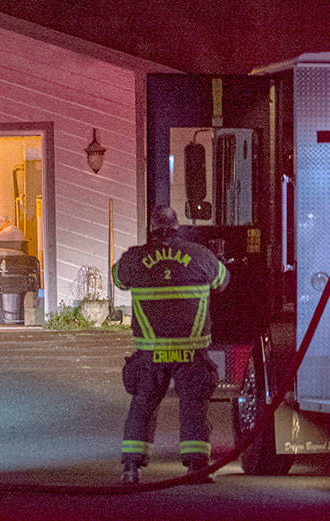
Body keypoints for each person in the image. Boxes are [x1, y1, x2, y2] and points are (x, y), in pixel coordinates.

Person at [112, 205, 230, 484]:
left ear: (152, 228)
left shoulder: (135, 258)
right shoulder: (200, 255)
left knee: (142, 404)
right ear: (177, 228)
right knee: (193, 406)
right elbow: (224, 281)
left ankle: (131, 468)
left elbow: (117, 278)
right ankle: (196, 467)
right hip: (191, 350)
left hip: (151, 352)